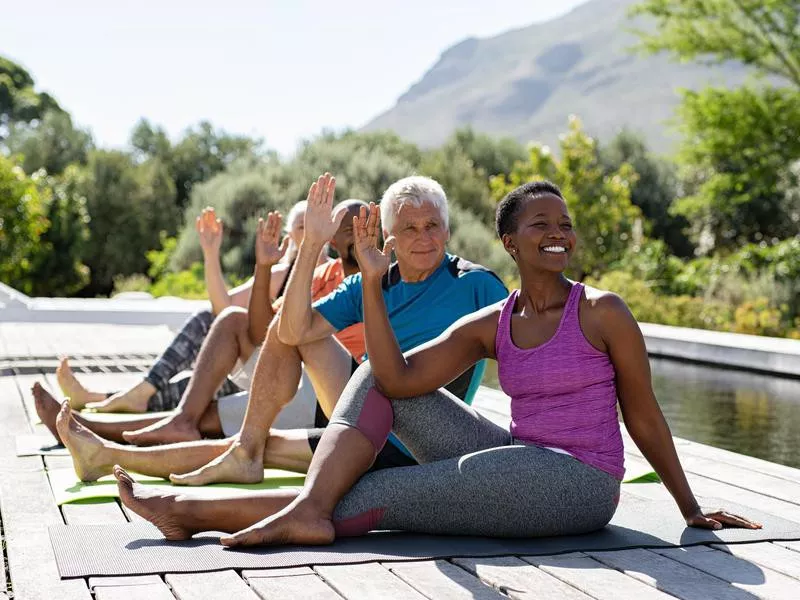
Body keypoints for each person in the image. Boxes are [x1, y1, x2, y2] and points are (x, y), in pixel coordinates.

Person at [110, 180, 761, 546]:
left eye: (564, 222)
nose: (557, 232)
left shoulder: (603, 312)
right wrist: (369, 280)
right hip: (513, 456)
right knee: (374, 376)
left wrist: (689, 506)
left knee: (371, 496)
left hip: (580, 483)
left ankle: (192, 513)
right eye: (539, 225)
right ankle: (246, 508)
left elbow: (643, 416)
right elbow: (395, 382)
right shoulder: (495, 321)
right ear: (510, 241)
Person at [54, 173, 507, 485]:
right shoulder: (372, 281)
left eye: (433, 226)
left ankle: (116, 455)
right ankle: (230, 448)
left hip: (418, 434)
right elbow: (292, 330)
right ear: (388, 237)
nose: (424, 238)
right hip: (363, 413)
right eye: (410, 228)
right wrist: (310, 243)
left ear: (447, 231)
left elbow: (524, 352)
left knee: (255, 445)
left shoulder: (477, 285)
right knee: (288, 337)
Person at [35, 203, 366, 446]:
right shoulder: (317, 275)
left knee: (205, 412)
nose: (359, 235)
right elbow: (259, 331)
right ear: (331, 241)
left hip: (326, 394)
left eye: (366, 228)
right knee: (229, 322)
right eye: (348, 230)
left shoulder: (380, 282)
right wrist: (262, 266)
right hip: (287, 370)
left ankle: (87, 426)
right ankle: (162, 418)